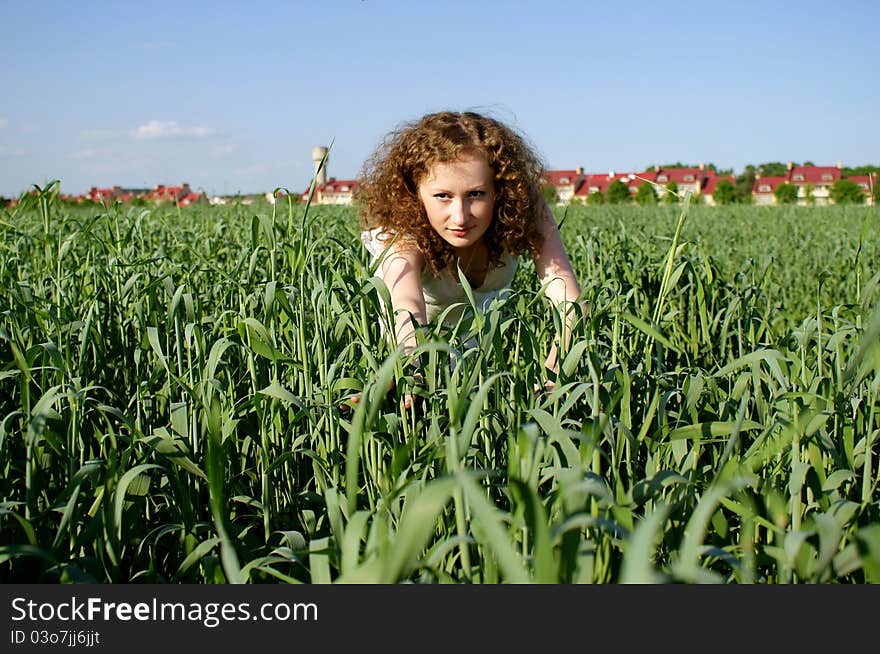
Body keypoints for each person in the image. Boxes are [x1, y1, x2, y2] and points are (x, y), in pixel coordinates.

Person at [355, 110, 583, 408]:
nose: (460, 217)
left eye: (476, 194)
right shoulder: (405, 233)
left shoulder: (525, 208)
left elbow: (570, 303)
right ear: (416, 193)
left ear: (499, 190)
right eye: (442, 196)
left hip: (476, 341)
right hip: (404, 342)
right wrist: (411, 366)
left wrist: (555, 378)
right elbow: (407, 308)